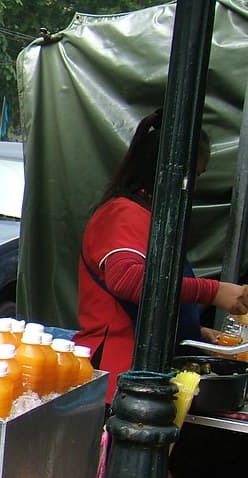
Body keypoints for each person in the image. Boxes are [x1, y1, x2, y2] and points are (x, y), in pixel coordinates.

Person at [73, 108, 248, 400]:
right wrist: (214, 292)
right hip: (119, 376)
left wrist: (195, 331)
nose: (192, 187)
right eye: (193, 175)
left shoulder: (147, 215)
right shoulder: (122, 214)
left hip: (142, 371)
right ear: (168, 171)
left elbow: (159, 292)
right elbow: (129, 281)